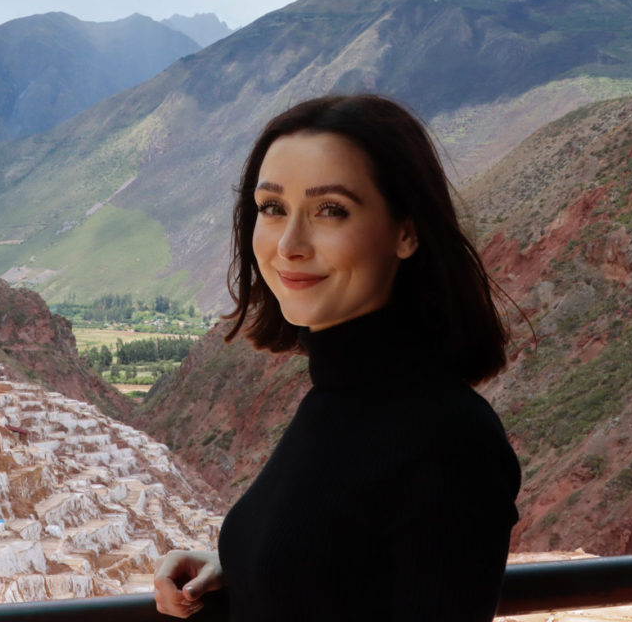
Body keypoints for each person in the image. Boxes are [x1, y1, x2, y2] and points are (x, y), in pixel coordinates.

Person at [153, 94, 521, 621]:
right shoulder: (338, 401)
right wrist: (244, 567)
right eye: (273, 208)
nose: (289, 245)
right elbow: (347, 562)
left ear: (406, 231)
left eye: (331, 210)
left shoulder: (447, 438)